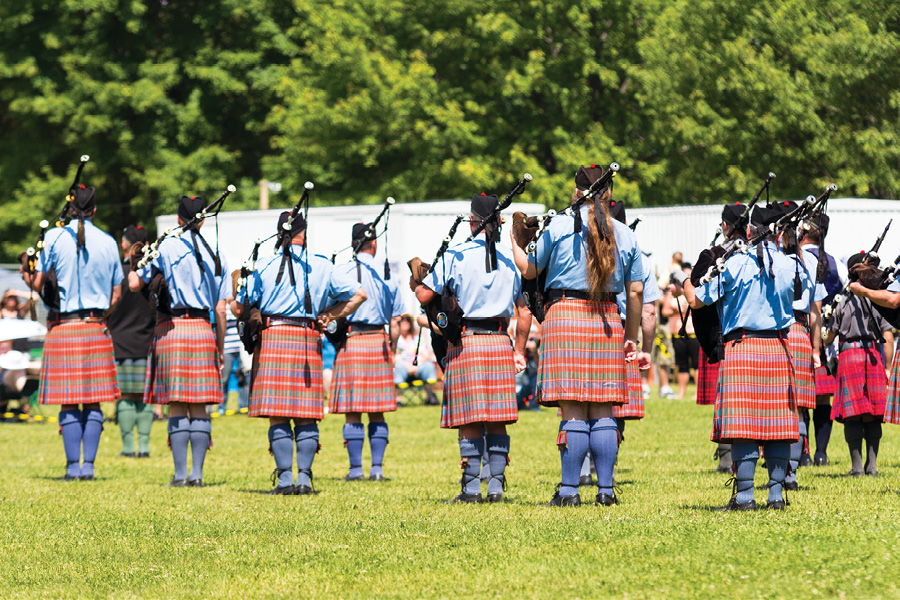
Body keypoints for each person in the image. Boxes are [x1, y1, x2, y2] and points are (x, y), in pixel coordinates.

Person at [510, 164, 644, 507]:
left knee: (572, 409)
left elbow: (529, 269)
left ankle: (569, 492)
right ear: (609, 194)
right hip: (607, 319)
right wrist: (631, 336)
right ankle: (606, 491)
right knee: (602, 410)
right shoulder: (624, 233)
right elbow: (635, 291)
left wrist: (514, 241)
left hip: (566, 316)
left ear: (576, 192)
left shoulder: (558, 226)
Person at [682, 205, 806, 510]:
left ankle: (745, 497)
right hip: (778, 348)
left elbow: (697, 302)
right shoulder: (790, 264)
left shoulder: (734, 264)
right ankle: (776, 496)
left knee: (743, 427)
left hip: (742, 348)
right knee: (778, 426)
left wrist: (686, 282)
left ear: (748, 232)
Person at [234, 211, 365, 494]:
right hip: (307, 337)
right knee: (306, 414)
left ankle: (284, 481)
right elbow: (359, 295)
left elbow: (242, 304)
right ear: (304, 233)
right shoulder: (322, 265)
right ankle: (304, 479)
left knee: (278, 414)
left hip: (273, 338)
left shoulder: (264, 264)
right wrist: (329, 314)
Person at [415, 193, 530, 503]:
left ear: (472, 221)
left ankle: (470, 489)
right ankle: (495, 487)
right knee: (496, 418)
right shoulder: (511, 259)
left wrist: (419, 281)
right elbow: (526, 311)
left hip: (466, 341)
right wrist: (518, 350)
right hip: (499, 341)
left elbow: (425, 296)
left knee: (469, 418)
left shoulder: (457, 254)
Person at [21, 184, 123, 480]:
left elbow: (37, 284)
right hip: (95, 326)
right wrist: (100, 316)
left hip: (63, 327)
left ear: (70, 209)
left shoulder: (54, 236)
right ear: (95, 210)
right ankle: (88, 467)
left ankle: (71, 468)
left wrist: (25, 272)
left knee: (69, 399)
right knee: (93, 399)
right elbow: (116, 294)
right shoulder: (108, 241)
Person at [128, 195, 229, 487]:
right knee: (199, 406)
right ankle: (197, 475)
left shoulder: (166, 246)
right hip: (202, 329)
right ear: (205, 219)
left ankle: (180, 475)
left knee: (175, 405)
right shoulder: (216, 252)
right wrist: (219, 348)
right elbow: (221, 308)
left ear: (177, 219)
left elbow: (135, 284)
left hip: (171, 330)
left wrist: (140, 259)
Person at [330, 222, 405, 481]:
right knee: (377, 409)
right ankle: (377, 469)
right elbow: (395, 322)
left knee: (353, 408)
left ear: (354, 243)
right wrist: (392, 350)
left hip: (352, 340)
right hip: (379, 340)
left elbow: (330, 311)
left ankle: (355, 470)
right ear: (374, 244)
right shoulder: (389, 274)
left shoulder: (341, 271)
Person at [823, 252, 893, 476]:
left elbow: (829, 336)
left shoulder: (842, 301)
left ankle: (856, 468)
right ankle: (871, 467)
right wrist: (888, 368)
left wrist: (824, 328)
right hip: (873, 355)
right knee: (872, 413)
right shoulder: (879, 298)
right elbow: (888, 336)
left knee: (853, 414)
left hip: (849, 357)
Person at [772, 200, 825, 490]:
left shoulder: (771, 260)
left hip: (777, 332)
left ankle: (779, 469)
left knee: (776, 405)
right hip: (802, 333)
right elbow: (815, 312)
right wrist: (816, 349)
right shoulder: (810, 263)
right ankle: (790, 473)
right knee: (799, 408)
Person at [692, 202, 748, 473]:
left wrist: (685, 286)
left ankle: (728, 459)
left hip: (728, 338)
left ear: (725, 226)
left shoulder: (716, 256)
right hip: (772, 338)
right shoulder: (767, 256)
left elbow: (697, 299)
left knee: (733, 404)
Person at [800, 214, 846, 465]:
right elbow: (848, 291)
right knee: (822, 397)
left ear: (804, 233)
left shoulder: (792, 258)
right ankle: (821, 453)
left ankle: (804, 453)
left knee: (797, 397)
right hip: (827, 338)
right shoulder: (835, 263)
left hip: (796, 333)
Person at [107, 225, 156, 458]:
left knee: (125, 396)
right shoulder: (152, 272)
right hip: (148, 341)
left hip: (119, 342)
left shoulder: (118, 272)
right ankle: (144, 447)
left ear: (125, 246)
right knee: (145, 396)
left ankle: (128, 448)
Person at [662, 268, 698, 400]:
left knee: (696, 363)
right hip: (677, 333)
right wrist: (676, 311)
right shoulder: (672, 293)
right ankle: (681, 393)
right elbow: (665, 311)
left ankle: (697, 393)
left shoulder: (694, 290)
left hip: (693, 331)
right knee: (681, 363)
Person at [394, 315, 439, 405]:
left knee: (428, 366)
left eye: (407, 319)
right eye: (402, 319)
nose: (405, 321)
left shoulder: (418, 337)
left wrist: (416, 367)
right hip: (403, 368)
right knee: (398, 367)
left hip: (419, 367)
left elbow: (426, 354)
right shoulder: (396, 339)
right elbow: (395, 357)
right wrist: (409, 367)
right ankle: (398, 399)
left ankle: (430, 396)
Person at [217, 304, 249, 415]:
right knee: (224, 378)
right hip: (227, 348)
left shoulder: (240, 306)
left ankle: (244, 405)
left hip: (241, 347)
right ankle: (222, 407)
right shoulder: (223, 308)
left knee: (243, 377)